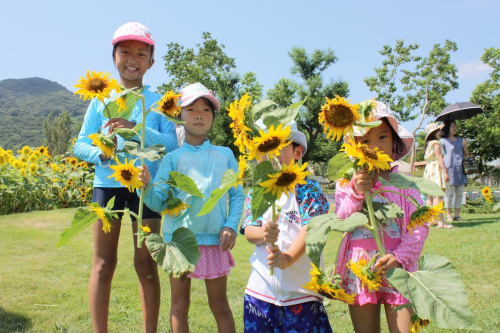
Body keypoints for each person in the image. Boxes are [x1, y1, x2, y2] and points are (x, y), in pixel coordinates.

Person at [74, 22, 178, 333]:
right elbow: (80, 144)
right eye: (125, 51)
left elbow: (173, 144)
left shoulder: (159, 102)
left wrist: (136, 127)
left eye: (141, 53)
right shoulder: (100, 99)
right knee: (103, 264)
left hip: (147, 188)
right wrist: (102, 154)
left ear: (151, 61)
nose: (132, 58)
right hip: (107, 185)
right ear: (114, 56)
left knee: (147, 265)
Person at [139, 83, 244, 333]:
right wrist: (147, 186)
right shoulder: (171, 159)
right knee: (179, 304)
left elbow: (237, 196)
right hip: (179, 243)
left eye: (206, 109)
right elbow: (159, 202)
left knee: (220, 305)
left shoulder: (226, 154)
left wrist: (230, 225)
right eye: (191, 108)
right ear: (179, 116)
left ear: (213, 117)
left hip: (215, 241)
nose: (199, 114)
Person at [334, 103, 428, 333]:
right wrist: (357, 193)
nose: (374, 146)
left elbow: (420, 226)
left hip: (399, 264)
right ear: (355, 147)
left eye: (382, 136)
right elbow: (342, 219)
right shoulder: (347, 180)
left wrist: (400, 256)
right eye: (365, 141)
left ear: (394, 142)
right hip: (360, 266)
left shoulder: (405, 184)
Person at [240, 120, 333, 333]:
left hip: (302, 293)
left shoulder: (308, 188)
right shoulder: (257, 191)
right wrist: (263, 232)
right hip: (259, 293)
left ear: (298, 152)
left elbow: (312, 229)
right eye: (265, 147)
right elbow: (249, 230)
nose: (271, 154)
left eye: (278, 145)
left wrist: (288, 257)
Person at [423, 123, 452, 228]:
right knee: (437, 196)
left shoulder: (428, 144)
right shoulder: (436, 143)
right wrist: (445, 171)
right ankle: (441, 222)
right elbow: (439, 157)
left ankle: (431, 220)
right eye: (438, 130)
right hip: (435, 168)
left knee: (429, 196)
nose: (440, 132)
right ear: (434, 132)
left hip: (429, 169)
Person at [439, 120, 470, 222]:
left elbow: (466, 154)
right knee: (449, 193)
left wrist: (465, 145)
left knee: (459, 193)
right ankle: (448, 215)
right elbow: (439, 156)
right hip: (449, 170)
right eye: (452, 126)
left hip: (460, 169)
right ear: (447, 128)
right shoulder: (443, 141)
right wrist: (444, 171)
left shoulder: (460, 140)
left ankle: (457, 215)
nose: (454, 128)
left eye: (455, 126)